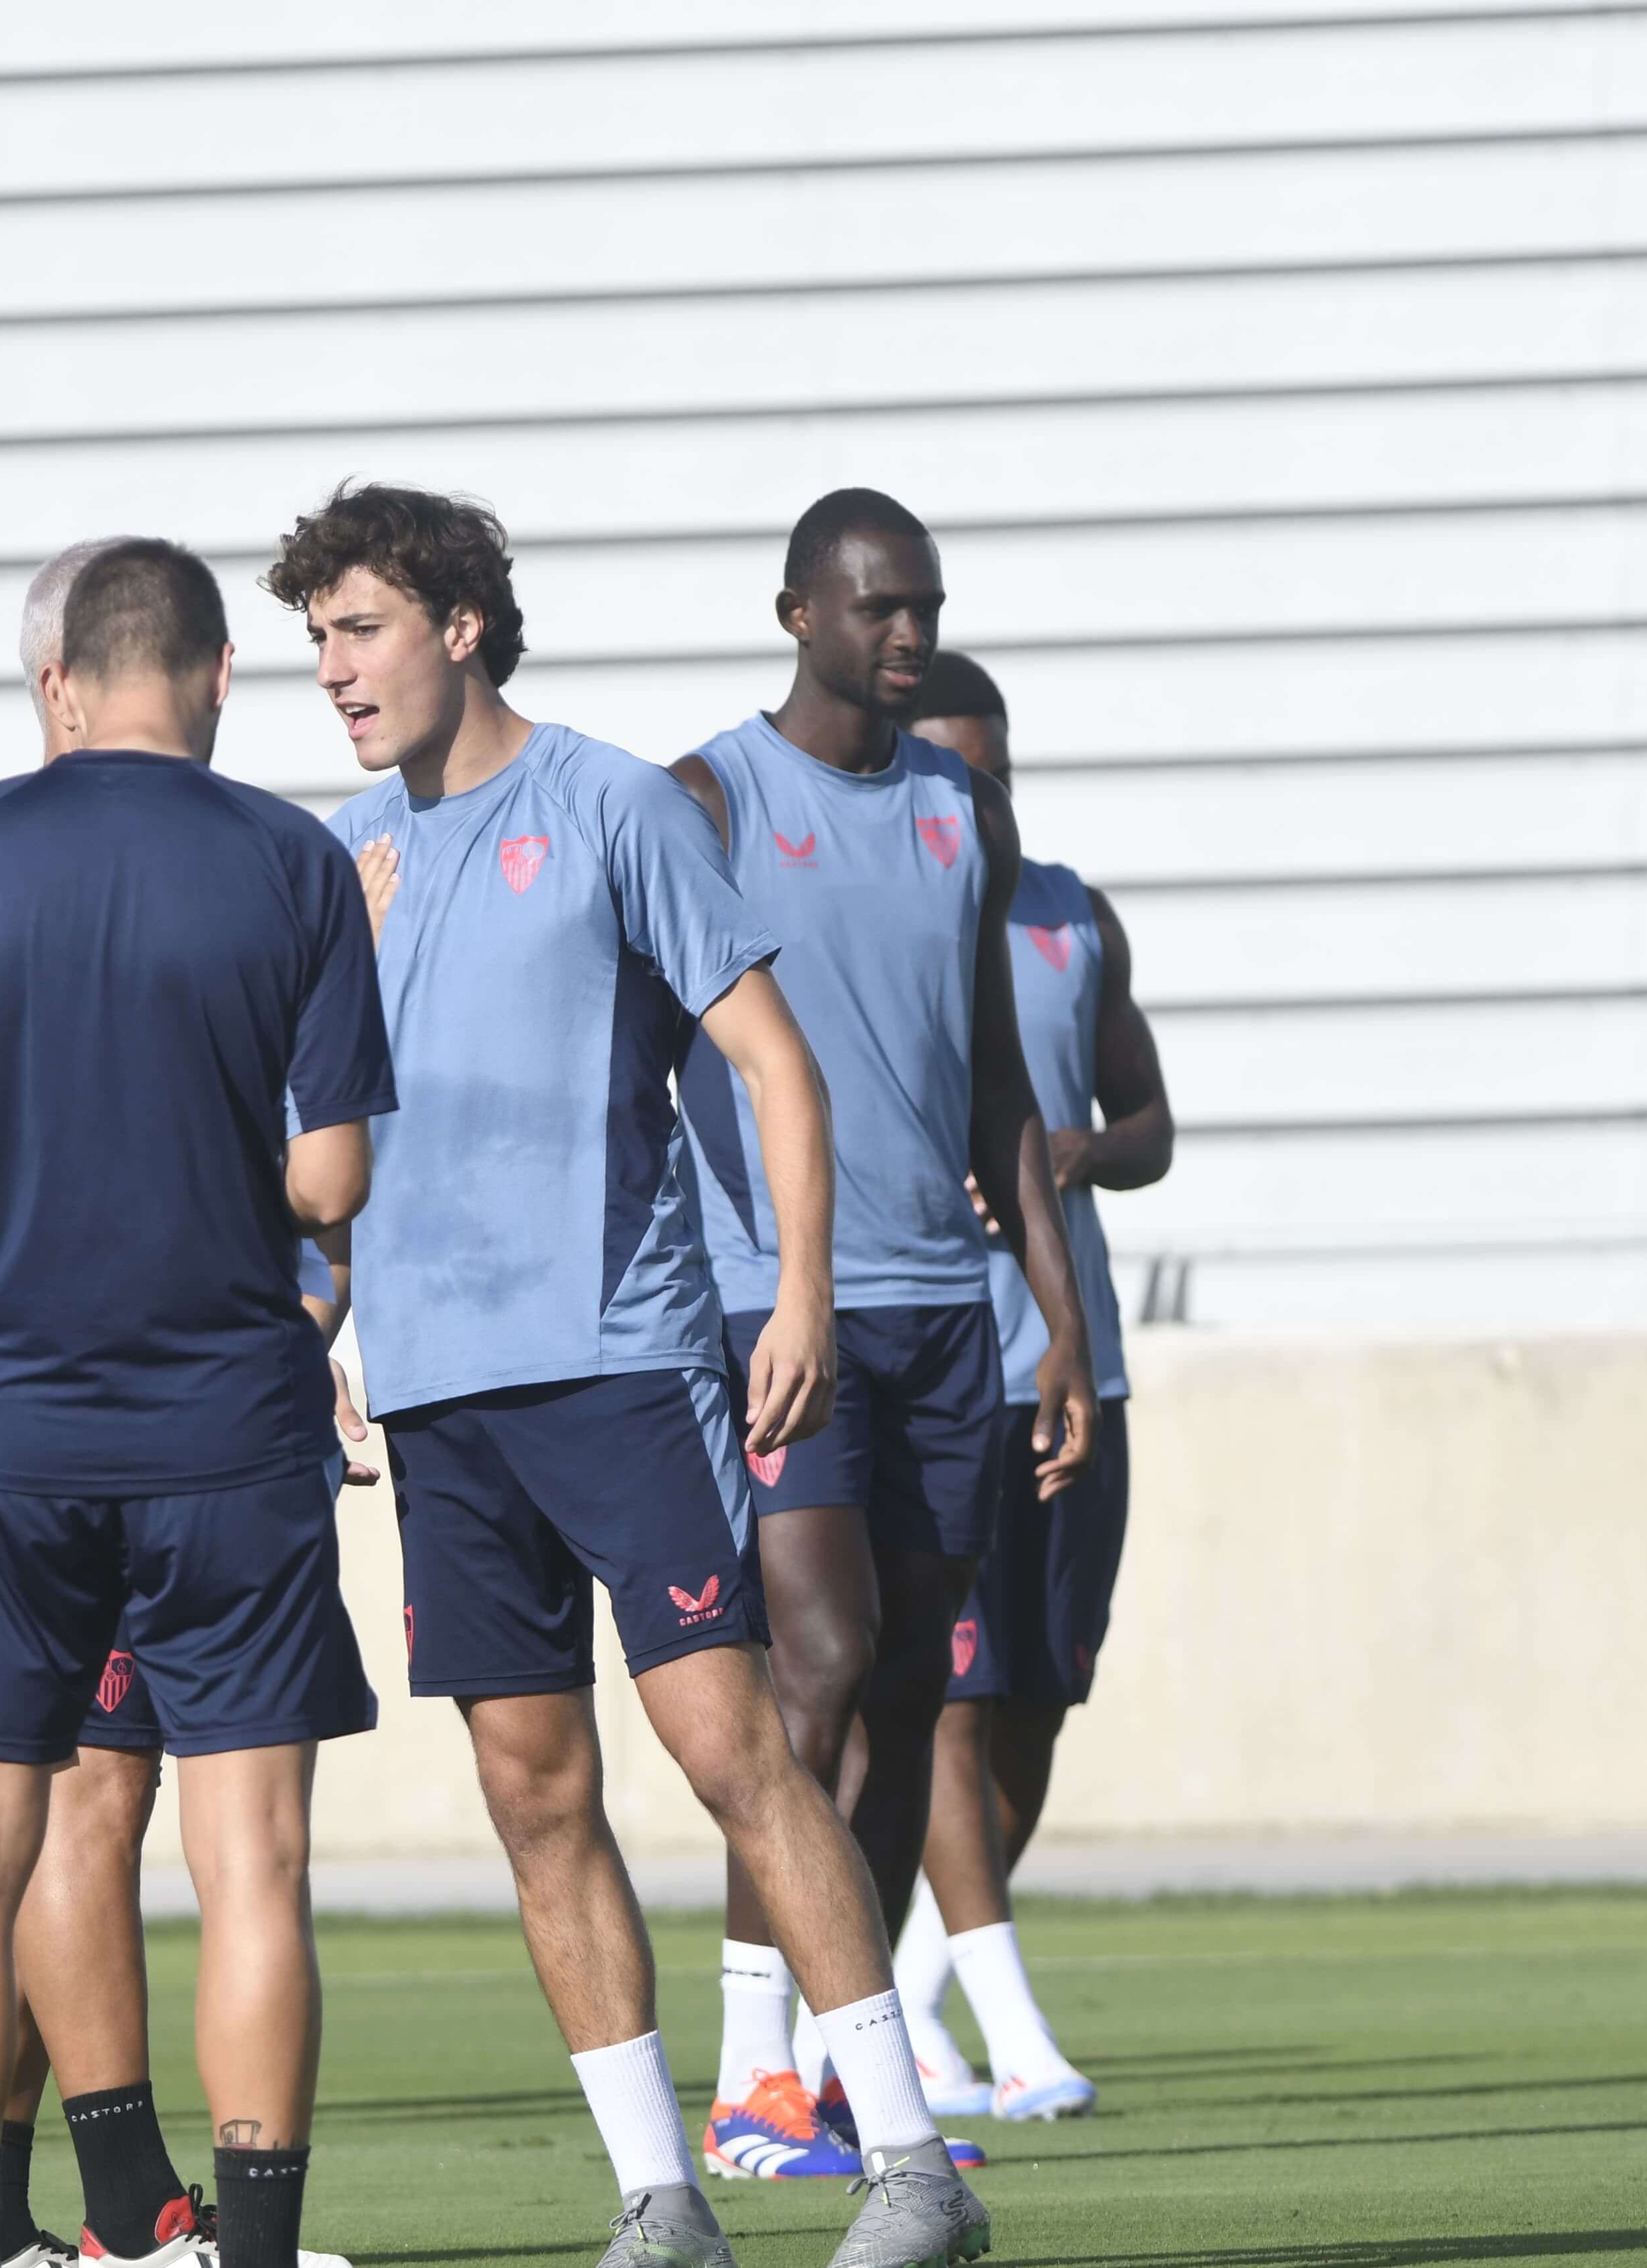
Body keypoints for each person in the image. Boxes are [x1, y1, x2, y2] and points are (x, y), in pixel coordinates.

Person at [274, 482, 994, 2268]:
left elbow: (775, 1063)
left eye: (360, 629)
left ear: (459, 626)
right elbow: (322, 1152)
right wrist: (313, 1323)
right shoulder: (340, 861)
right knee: (533, 1791)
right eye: (316, 639)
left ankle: (912, 2165)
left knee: (731, 1745)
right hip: (436, 1393)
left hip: (617, 1361)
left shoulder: (611, 805)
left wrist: (801, 1290)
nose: (333, 669)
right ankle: (661, 2198)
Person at [0, 538, 387, 2268]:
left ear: (64, 678)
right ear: (222, 672)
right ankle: (250, 2247)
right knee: (254, 1862)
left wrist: (34, 1171)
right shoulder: (298, 861)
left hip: (0, 1423)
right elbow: (330, 1180)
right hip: (227, 1423)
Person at [672, 489, 1096, 2179]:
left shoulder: (959, 808)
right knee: (819, 1665)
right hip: (779, 1309)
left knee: (917, 1686)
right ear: (798, 614)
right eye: (876, 606)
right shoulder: (710, 797)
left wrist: (1058, 1327)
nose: (907, 632)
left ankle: (849, 2072)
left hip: (946, 1319)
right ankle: (748, 2079)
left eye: (925, 605)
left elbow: (1001, 1085)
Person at [894, 653, 1172, 2126]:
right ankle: (1011, 2037)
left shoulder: (1073, 916)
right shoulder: (880, 914)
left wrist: (1077, 1152)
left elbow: (1150, 1123)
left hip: (1081, 1363)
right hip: (942, 1366)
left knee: (1035, 1705)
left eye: (991, 772)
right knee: (947, 1697)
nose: (976, 798)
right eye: (950, 772)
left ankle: (908, 2003)